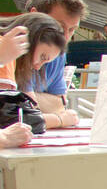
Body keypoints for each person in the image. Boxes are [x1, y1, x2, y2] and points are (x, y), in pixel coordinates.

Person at [0, 13, 69, 145]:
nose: (37, 66)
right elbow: (10, 118)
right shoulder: (4, 54)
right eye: (42, 57)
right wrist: (60, 120)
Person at [24, 0, 85, 126]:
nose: (64, 37)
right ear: (34, 15)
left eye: (71, 30)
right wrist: (59, 119)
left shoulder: (58, 54)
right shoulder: (9, 50)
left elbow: (59, 105)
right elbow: (16, 112)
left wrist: (27, 98)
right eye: (58, 26)